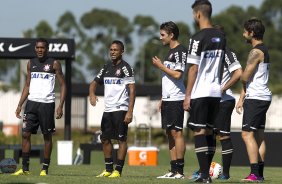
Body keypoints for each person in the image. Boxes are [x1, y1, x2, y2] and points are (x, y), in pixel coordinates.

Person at [183, 0, 226, 183]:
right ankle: (205, 175)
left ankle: (203, 175)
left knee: (199, 132)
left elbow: (193, 68)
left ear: (198, 14)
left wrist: (187, 94)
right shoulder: (221, 36)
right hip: (216, 91)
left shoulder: (197, 37)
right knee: (210, 132)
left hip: (200, 91)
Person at [12, 38, 66, 176]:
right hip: (31, 104)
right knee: (25, 134)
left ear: (46, 49)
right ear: (35, 48)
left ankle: (45, 168)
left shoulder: (54, 63)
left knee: (47, 136)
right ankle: (25, 169)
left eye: (42, 48)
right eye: (37, 47)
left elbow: (64, 85)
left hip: (47, 105)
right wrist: (19, 104)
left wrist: (60, 105)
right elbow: (27, 85)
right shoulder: (31, 63)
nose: (40, 50)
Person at [89, 40, 136, 178]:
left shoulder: (126, 68)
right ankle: (108, 169)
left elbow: (132, 90)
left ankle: (118, 170)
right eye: (111, 50)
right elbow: (93, 83)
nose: (113, 52)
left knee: (121, 139)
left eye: (115, 50)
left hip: (121, 108)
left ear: (122, 52)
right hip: (107, 110)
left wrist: (130, 111)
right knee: (104, 138)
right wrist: (92, 94)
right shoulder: (106, 67)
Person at [236, 18, 271, 182]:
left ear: (252, 33)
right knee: (258, 135)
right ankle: (260, 174)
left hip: (256, 98)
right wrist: (242, 97)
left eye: (245, 31)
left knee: (246, 134)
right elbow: (250, 79)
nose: (243, 33)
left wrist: (240, 75)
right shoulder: (263, 49)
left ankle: (255, 174)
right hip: (261, 96)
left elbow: (245, 76)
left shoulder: (256, 51)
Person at [152, 21, 187, 179]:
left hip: (177, 99)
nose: (160, 38)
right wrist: (162, 98)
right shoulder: (170, 52)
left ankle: (180, 170)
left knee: (177, 133)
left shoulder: (180, 51)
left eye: (163, 35)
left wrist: (160, 66)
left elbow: (178, 74)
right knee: (169, 134)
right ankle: (173, 170)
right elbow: (168, 79)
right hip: (168, 99)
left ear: (172, 35)